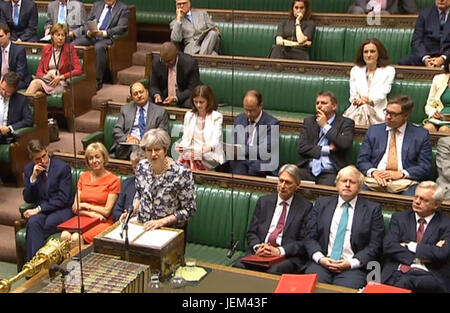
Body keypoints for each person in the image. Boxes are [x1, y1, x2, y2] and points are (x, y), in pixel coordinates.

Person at [304, 165, 385, 289]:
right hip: (322, 262)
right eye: (344, 181)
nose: (347, 185)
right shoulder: (322, 204)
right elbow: (309, 237)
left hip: (353, 268)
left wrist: (350, 263)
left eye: (352, 182)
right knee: (311, 286)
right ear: (337, 184)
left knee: (343, 289)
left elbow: (375, 245)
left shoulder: (372, 210)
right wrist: (321, 258)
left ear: (359, 187)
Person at [234, 164, 312, 274]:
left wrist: (278, 251)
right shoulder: (264, 202)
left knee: (273, 271)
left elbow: (304, 242)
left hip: (286, 256)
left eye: (288, 182)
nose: (283, 186)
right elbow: (251, 233)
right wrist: (258, 247)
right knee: (239, 266)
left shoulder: (305, 207)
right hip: (261, 252)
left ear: (297, 185)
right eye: (281, 181)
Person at [121, 128, 196, 232]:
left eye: (157, 150)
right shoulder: (142, 167)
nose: (153, 154)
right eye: (149, 150)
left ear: (165, 150)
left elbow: (189, 210)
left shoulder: (181, 173)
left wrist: (161, 222)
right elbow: (139, 194)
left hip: (168, 230)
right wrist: (131, 212)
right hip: (143, 226)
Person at [357, 95, 433, 196]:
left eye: (393, 114)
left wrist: (402, 174)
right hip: (375, 179)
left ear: (406, 115)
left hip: (404, 182)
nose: (388, 116)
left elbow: (425, 166)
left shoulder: (420, 135)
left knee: (414, 196)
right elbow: (362, 160)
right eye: (387, 112)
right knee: (355, 190)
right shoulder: (374, 131)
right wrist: (373, 172)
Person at [381, 181, 450, 292]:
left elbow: (441, 254)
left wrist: (409, 246)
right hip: (397, 271)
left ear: (436, 205)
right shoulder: (400, 218)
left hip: (429, 275)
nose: (417, 202)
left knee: (405, 283)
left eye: (424, 200)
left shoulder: (446, 224)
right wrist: (422, 255)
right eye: (416, 197)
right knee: (399, 281)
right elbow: (389, 247)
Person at [60, 142, 121, 247]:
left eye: (97, 157)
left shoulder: (114, 180)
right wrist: (92, 214)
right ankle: (66, 263)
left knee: (76, 238)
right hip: (86, 217)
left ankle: (77, 263)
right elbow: (76, 207)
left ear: (104, 158)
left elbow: (106, 211)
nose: (94, 161)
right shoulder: (84, 177)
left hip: (103, 222)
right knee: (64, 235)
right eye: (91, 158)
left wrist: (87, 206)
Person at [23, 140, 74, 261]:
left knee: (38, 226)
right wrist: (33, 179)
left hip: (62, 210)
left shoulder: (62, 168)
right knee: (33, 223)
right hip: (42, 212)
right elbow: (28, 198)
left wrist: (39, 209)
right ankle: (36, 269)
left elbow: (63, 198)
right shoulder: (29, 170)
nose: (43, 161)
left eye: (44, 156)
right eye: (38, 159)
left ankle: (35, 268)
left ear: (47, 151)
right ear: (32, 159)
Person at [298, 91, 354, 186]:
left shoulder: (345, 123)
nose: (319, 106)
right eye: (317, 103)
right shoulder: (309, 122)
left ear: (334, 106)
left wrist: (325, 126)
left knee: (327, 187)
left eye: (324, 103)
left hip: (331, 171)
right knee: (289, 176)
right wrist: (327, 149)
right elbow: (302, 147)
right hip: (308, 169)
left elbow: (344, 143)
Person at [72, 0, 130, 90]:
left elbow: (121, 27)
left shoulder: (123, 8)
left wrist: (104, 33)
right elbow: (88, 21)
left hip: (107, 37)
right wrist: (89, 32)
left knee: (99, 47)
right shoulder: (97, 5)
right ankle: (74, 76)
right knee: (73, 45)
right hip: (92, 36)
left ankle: (97, 81)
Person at [343, 38, 396, 125]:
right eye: (366, 52)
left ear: (379, 53)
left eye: (372, 51)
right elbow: (353, 94)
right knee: (362, 110)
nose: (368, 55)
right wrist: (358, 101)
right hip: (357, 110)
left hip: (377, 110)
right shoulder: (355, 70)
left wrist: (368, 101)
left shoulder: (389, 71)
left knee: (364, 109)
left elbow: (383, 92)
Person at [111, 81, 169, 160]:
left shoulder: (160, 112)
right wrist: (127, 139)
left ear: (147, 92)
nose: (139, 95)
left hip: (149, 148)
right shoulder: (125, 109)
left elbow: (162, 134)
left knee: (141, 150)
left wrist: (144, 142)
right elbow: (117, 130)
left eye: (141, 92)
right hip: (127, 148)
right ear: (131, 97)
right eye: (135, 94)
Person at [229, 90, 280, 177]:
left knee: (253, 167)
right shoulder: (239, 119)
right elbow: (235, 144)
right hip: (242, 161)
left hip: (261, 161)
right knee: (235, 163)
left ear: (260, 106)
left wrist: (243, 149)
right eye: (246, 110)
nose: (248, 114)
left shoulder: (272, 123)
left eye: (252, 110)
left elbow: (265, 150)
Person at [25, 23, 82, 96]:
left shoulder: (70, 49)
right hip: (47, 80)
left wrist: (62, 77)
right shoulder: (47, 49)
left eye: (63, 35)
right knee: (37, 93)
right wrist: (47, 75)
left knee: (35, 86)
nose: (60, 38)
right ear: (52, 36)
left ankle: (22, 106)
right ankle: (25, 106)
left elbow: (78, 70)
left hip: (60, 83)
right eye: (58, 35)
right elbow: (39, 72)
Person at [177, 84, 225, 170]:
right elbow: (185, 138)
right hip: (190, 153)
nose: (198, 105)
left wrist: (199, 153)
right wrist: (181, 146)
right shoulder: (189, 115)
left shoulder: (216, 116)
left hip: (209, 155)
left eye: (201, 102)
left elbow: (215, 143)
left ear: (209, 101)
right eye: (196, 102)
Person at [149, 41, 201, 108]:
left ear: (177, 54)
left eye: (170, 61)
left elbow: (192, 89)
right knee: (146, 102)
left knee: (190, 103)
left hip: (183, 98)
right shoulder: (157, 63)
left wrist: (175, 98)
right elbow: (153, 85)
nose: (166, 64)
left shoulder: (190, 63)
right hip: (163, 97)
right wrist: (156, 95)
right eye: (164, 61)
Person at [399, 0, 450, 67]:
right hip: (427, 54)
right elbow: (416, 40)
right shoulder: (425, 13)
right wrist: (426, 58)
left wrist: (443, 58)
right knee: (404, 62)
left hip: (448, 56)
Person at [112, 149, 145, 221]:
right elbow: (116, 211)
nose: (137, 171)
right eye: (135, 168)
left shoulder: (154, 185)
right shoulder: (126, 183)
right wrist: (123, 217)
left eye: (140, 167)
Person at [0, 72, 33, 144]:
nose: (4, 93)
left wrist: (9, 128)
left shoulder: (21, 100)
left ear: (14, 90)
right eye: (2, 89)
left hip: (5, 136)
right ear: (0, 82)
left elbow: (29, 120)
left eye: (8, 92)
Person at [0, 23, 31, 89]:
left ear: (8, 35)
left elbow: (20, 74)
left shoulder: (19, 50)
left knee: (6, 87)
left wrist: (5, 83)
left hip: (15, 81)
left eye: (1, 36)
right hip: (1, 80)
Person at [423, 57, 450, 133]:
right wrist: (433, 113)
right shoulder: (438, 79)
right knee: (428, 128)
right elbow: (429, 105)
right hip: (439, 118)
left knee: (444, 130)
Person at [348, 0, 419, 14]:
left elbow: (412, 9)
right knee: (357, 10)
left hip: (387, 17)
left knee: (384, 14)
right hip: (364, 12)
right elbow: (362, 4)